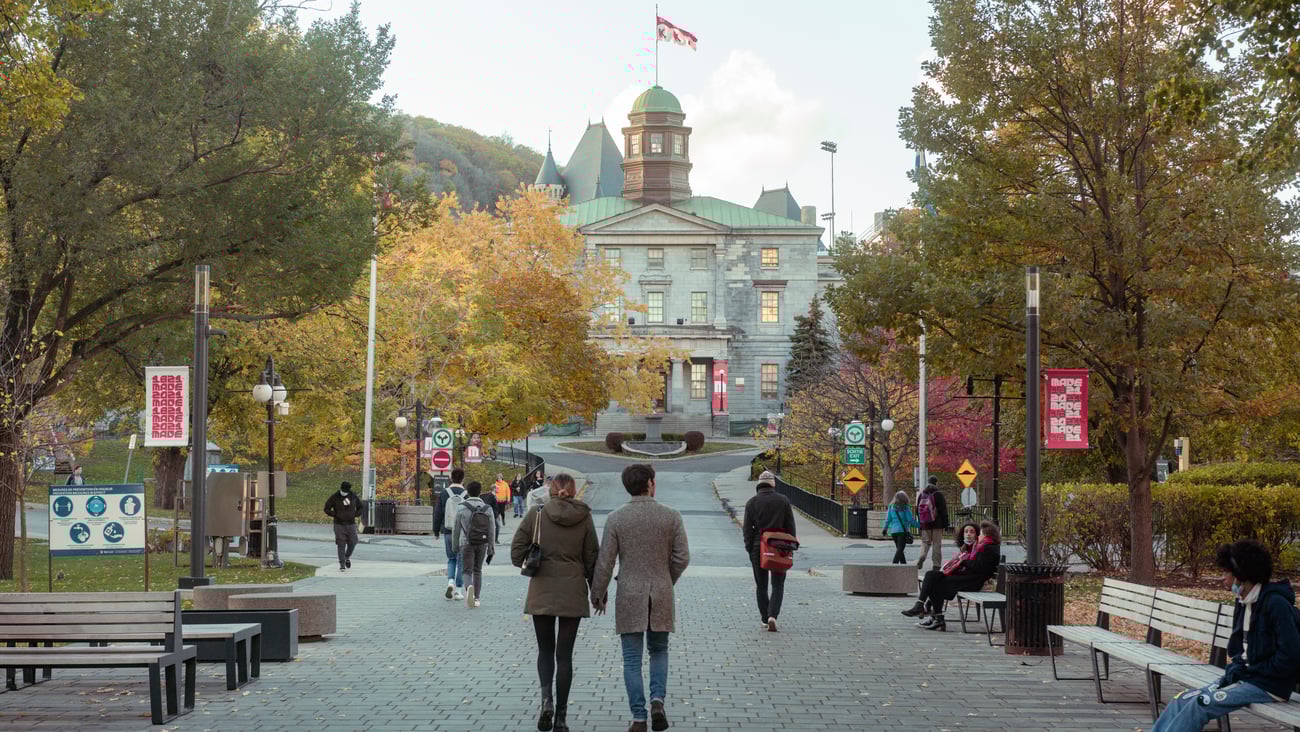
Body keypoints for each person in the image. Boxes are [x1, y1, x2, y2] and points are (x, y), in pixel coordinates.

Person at [1151, 539, 1300, 732]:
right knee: (1181, 699)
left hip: (1268, 685)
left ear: (1241, 575)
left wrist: (1254, 671)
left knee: (1200, 704)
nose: (1223, 579)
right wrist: (1237, 670)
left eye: (1226, 573)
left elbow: (1290, 655)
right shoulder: (1243, 601)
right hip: (1246, 678)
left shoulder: (1276, 604)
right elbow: (1239, 650)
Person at [591, 463, 690, 732]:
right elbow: (682, 557)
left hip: (629, 594)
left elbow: (605, 562)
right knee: (659, 650)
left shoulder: (616, 518)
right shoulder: (671, 516)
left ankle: (639, 716)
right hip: (661, 592)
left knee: (632, 659)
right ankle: (658, 700)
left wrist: (598, 593)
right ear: (650, 483)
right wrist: (666, 578)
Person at [512, 473, 598, 732]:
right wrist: (597, 592)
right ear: (573, 490)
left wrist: (532, 560)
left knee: (545, 651)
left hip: (542, 590)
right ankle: (561, 718)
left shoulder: (537, 514)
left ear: (550, 489)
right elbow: (592, 558)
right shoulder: (584, 516)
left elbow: (516, 552)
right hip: (573, 590)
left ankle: (546, 700)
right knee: (565, 656)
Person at [903, 521, 1000, 631]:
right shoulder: (983, 546)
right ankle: (924, 608)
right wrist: (959, 563)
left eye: (981, 534)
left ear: (986, 535)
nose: (979, 536)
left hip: (973, 582)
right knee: (931, 575)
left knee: (936, 582)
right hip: (968, 578)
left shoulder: (988, 548)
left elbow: (978, 568)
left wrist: (963, 561)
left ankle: (933, 615)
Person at [742, 470, 796, 632]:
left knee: (761, 585)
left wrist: (750, 548)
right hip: (780, 547)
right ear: (773, 484)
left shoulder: (752, 502)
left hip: (758, 546)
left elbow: (747, 530)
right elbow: (790, 526)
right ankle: (773, 615)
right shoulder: (783, 500)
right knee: (778, 584)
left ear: (759, 485)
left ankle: (765, 618)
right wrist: (790, 547)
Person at [452, 480, 496, 608]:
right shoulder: (487, 508)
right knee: (478, 570)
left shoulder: (461, 507)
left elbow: (456, 528)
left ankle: (469, 587)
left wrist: (455, 546)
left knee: (466, 571)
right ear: (480, 492)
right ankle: (476, 598)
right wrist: (491, 548)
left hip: (466, 543)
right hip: (482, 543)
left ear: (468, 492)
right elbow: (492, 529)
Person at [433, 467, 468, 600]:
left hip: (448, 531)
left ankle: (450, 581)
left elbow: (438, 513)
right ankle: (458, 590)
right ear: (463, 479)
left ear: (451, 478)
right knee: (461, 560)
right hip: (462, 532)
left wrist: (436, 531)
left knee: (451, 559)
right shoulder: (466, 494)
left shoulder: (444, 493)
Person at [323, 481, 361, 571]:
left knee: (353, 541)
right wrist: (336, 514)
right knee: (341, 543)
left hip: (351, 524)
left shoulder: (353, 497)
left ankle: (346, 557)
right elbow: (326, 508)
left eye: (346, 490)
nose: (344, 492)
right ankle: (342, 564)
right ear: (341, 488)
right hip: (339, 524)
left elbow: (360, 507)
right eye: (343, 490)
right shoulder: (335, 497)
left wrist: (355, 514)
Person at [915, 475, 950, 571]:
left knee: (925, 542)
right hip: (937, 524)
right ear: (936, 483)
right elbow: (943, 511)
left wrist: (921, 523)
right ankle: (936, 565)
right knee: (936, 544)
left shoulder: (922, 494)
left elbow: (917, 510)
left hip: (925, 524)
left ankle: (922, 556)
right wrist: (946, 524)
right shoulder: (939, 494)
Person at [883, 491, 920, 564]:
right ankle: (894, 565)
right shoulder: (905, 508)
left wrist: (885, 528)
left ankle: (904, 565)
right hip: (902, 532)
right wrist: (920, 526)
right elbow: (910, 520)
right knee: (900, 550)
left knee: (900, 550)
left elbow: (888, 519)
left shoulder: (891, 507)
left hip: (894, 532)